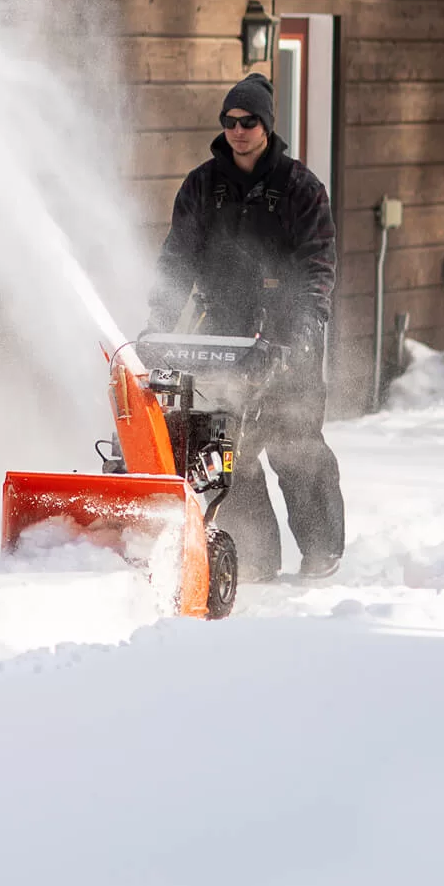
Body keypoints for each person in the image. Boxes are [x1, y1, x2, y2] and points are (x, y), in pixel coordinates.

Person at [146, 72, 343, 582]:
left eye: (248, 121)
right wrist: (159, 326)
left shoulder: (300, 188)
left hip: (288, 336)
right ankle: (254, 555)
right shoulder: (202, 186)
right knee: (230, 448)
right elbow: (176, 261)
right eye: (229, 121)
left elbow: (318, 268)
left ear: (267, 126)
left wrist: (301, 331)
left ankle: (321, 551)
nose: (237, 130)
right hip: (223, 336)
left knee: (294, 444)